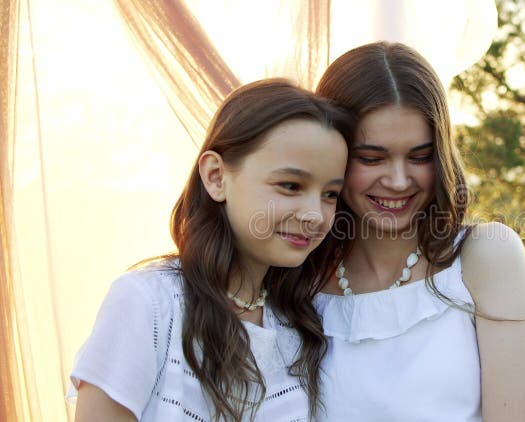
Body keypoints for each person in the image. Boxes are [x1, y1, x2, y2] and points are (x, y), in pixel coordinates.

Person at [68, 79, 354, 421]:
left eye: (330, 194)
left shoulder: (299, 324)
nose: (313, 214)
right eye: (290, 186)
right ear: (216, 177)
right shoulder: (149, 303)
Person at [312, 42, 525, 421]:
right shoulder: (296, 270)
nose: (399, 180)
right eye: (372, 158)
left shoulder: (486, 257)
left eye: (420, 157)